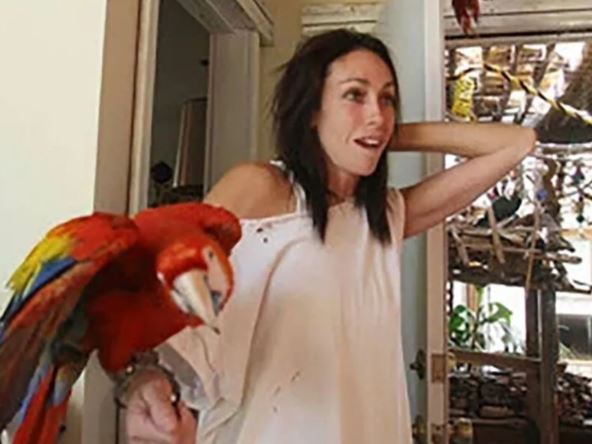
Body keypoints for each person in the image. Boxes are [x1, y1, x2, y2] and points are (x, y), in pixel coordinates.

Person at [124, 29, 535, 443]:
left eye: (387, 99)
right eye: (355, 95)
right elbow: (156, 296)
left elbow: (517, 143)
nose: (377, 112)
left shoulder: (385, 217)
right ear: (311, 110)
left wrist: (385, 133)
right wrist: (143, 378)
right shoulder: (261, 188)